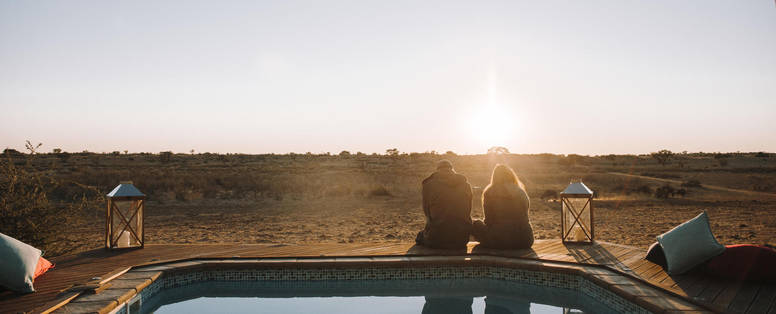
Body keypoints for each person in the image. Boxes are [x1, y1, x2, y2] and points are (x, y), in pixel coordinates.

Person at [472, 164, 534, 249]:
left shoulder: (489, 192)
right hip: (525, 240)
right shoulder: (520, 191)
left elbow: (488, 221)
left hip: (500, 241)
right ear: (511, 175)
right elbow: (525, 215)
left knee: (475, 224)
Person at [415, 160, 473, 249]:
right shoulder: (466, 185)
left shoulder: (429, 184)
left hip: (436, 239)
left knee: (420, 236)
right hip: (462, 239)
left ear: (437, 170)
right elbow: (468, 210)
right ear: (452, 169)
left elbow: (427, 213)